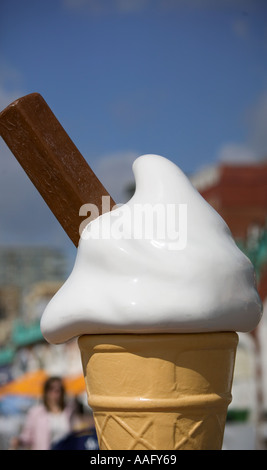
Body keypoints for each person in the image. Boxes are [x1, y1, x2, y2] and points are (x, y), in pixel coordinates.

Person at [10, 376, 74, 450]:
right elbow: (27, 437)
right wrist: (19, 441)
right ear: (46, 392)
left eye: (59, 389)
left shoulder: (69, 411)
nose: (56, 392)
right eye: (52, 389)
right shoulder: (36, 413)